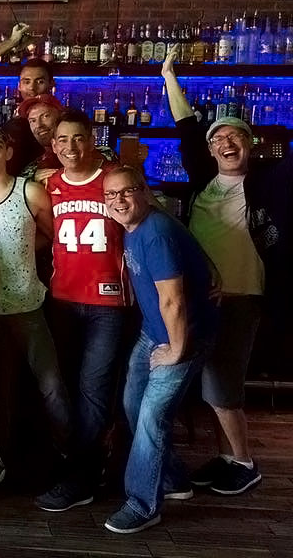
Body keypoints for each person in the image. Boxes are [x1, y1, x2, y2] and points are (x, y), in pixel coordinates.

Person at [163, 46, 287, 495]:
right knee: (211, 386)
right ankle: (227, 458)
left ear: (250, 144)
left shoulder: (269, 184)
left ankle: (246, 462)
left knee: (221, 386)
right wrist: (168, 74)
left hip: (241, 297)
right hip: (204, 299)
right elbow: (186, 124)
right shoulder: (204, 181)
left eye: (235, 136)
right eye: (218, 139)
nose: (226, 143)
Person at [101, 166, 217, 534]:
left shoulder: (156, 234)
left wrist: (177, 350)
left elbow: (173, 301)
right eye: (111, 194)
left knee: (152, 416)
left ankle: (142, 504)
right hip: (153, 333)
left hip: (181, 336)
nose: (119, 200)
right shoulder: (139, 224)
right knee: (134, 405)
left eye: (126, 191)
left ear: (143, 191)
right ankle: (173, 479)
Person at [0, 125, 71, 474]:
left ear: (8, 153)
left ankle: (72, 457)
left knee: (51, 384)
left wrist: (22, 251)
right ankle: (0, 462)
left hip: (26, 303)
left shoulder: (29, 191)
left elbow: (55, 236)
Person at [35, 108, 127, 513]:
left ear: (92, 140)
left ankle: (83, 477)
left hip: (108, 304)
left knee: (94, 389)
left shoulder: (114, 180)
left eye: (78, 138)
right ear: (53, 146)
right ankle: (77, 463)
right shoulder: (48, 184)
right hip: (63, 301)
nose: (70, 146)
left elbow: (149, 220)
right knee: (67, 387)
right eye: (63, 140)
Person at [5, 58, 55, 175]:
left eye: (40, 81)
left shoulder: (64, 120)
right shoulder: (13, 127)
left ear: (52, 83)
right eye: (26, 82)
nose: (32, 88)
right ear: (19, 86)